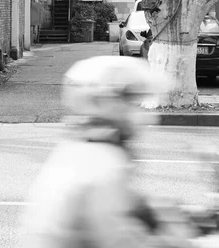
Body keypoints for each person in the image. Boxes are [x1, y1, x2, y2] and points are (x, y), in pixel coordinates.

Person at [19, 55, 172, 248]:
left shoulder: (83, 146)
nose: (139, 113)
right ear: (105, 102)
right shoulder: (102, 161)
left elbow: (126, 204)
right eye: (132, 102)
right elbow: (118, 240)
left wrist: (151, 211)